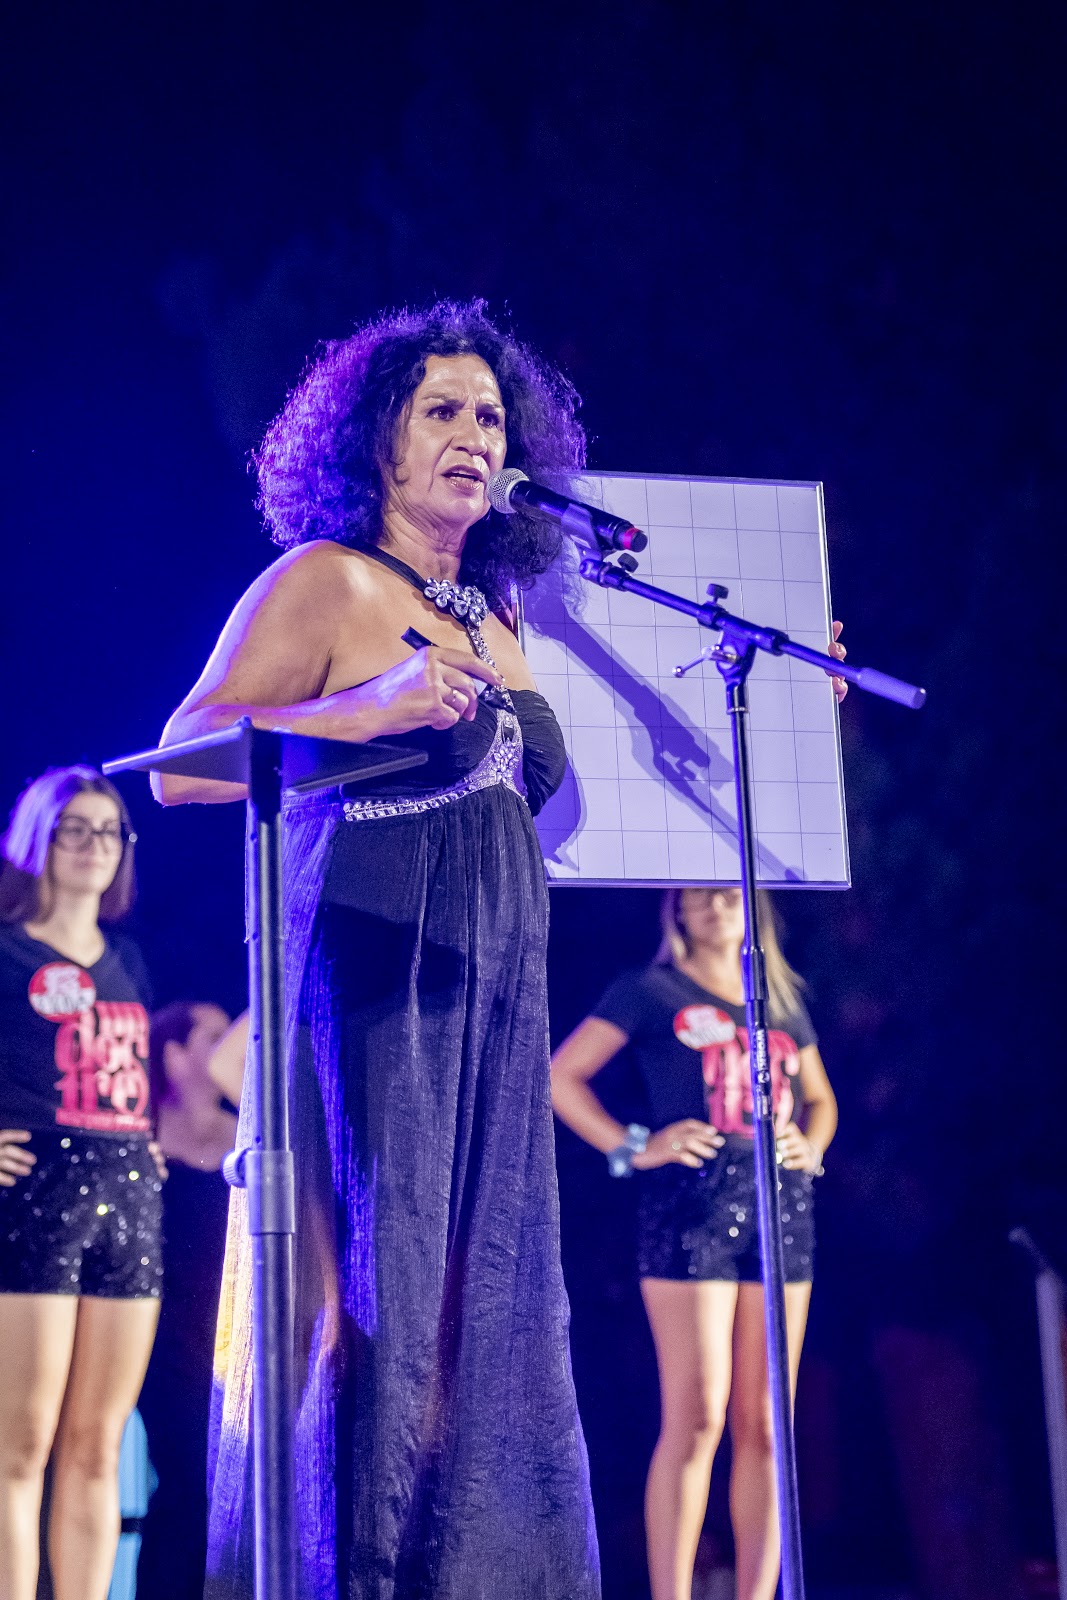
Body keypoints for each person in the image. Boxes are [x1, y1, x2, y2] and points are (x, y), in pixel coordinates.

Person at [154, 300, 600, 1598]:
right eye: (440, 411)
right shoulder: (329, 580)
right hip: (371, 980)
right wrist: (365, 705)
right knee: (376, 1299)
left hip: (490, 1006)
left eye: (491, 417)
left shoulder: (498, 615)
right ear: (376, 442)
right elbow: (179, 763)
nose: (475, 436)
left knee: (479, 1312)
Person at [550, 886, 838, 1600]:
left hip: (780, 1209)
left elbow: (820, 1098)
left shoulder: (778, 998)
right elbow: (561, 1075)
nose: (714, 905)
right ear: (675, 909)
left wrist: (812, 1144)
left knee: (766, 1422)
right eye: (697, 895)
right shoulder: (649, 990)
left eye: (727, 893)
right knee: (699, 1413)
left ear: (752, 906)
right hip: (690, 1208)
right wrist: (631, 1146)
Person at [0, 766, 162, 1600]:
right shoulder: (5, 950)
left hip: (128, 1199)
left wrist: (145, 1144)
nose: (95, 846)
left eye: (110, 832)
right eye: (76, 829)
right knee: (20, 1446)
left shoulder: (129, 959)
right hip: (34, 1198)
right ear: (38, 839)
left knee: (99, 1445)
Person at [137, 1000, 241, 1600]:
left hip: (230, 1340)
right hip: (162, 1337)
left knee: (226, 1483)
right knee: (183, 1478)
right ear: (174, 1056)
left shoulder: (245, 1138)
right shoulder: (142, 1136)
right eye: (213, 1035)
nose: (230, 1045)